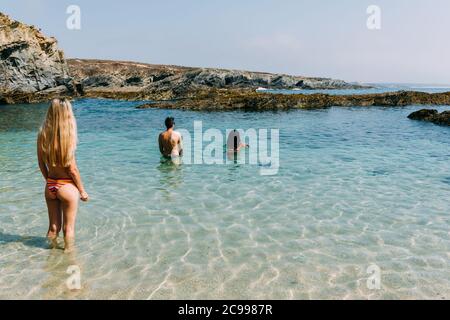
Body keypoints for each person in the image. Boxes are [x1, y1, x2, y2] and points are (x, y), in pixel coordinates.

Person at [37, 98, 88, 252]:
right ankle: (69, 260)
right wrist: (82, 190)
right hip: (66, 186)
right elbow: (72, 169)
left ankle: (50, 257)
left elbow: (41, 163)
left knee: (53, 228)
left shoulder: (42, 135)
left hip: (50, 185)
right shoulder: (68, 137)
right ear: (67, 114)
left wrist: (49, 181)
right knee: (68, 229)